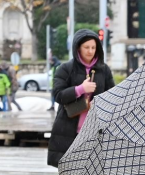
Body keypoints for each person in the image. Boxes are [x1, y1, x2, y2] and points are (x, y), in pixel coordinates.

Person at [48, 29, 114, 167]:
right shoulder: (66, 68)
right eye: (86, 47)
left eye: (93, 47)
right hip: (68, 129)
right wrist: (80, 89)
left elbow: (112, 96)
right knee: (70, 171)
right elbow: (58, 95)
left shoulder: (104, 70)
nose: (90, 51)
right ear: (78, 47)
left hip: (94, 130)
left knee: (93, 173)